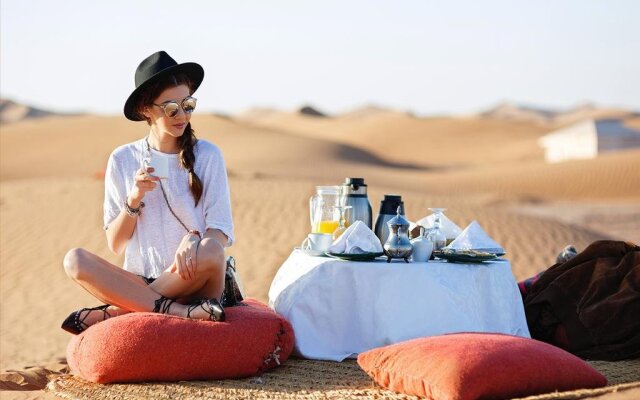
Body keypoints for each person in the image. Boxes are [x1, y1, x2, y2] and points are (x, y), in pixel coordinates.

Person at [61, 51, 234, 334]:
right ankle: (176, 311)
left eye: (188, 104)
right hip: (140, 281)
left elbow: (221, 231)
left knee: (211, 249)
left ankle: (125, 311)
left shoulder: (208, 155)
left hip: (197, 280)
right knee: (74, 260)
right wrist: (133, 200)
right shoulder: (122, 159)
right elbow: (116, 244)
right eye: (171, 108)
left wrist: (194, 238)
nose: (183, 115)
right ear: (146, 110)